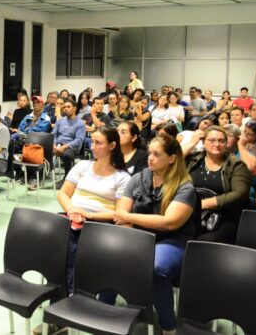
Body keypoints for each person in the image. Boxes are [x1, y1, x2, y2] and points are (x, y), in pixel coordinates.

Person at [114, 135, 197, 335]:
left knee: (156, 267)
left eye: (157, 154)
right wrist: (128, 221)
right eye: (150, 153)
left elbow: (169, 222)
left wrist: (129, 217)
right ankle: (104, 314)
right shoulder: (139, 178)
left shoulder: (185, 187)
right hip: (140, 236)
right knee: (111, 256)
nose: (150, 158)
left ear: (172, 158)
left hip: (172, 240)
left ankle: (168, 327)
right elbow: (120, 212)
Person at [57, 127, 131, 295]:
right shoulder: (83, 166)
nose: (92, 147)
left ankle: (69, 293)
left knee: (71, 244)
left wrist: (89, 215)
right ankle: (62, 292)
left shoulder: (122, 177)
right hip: (72, 216)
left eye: (98, 143)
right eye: (92, 142)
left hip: (98, 223)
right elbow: (63, 193)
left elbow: (120, 213)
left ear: (112, 146)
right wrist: (71, 210)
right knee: (55, 238)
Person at [186, 126, 251, 243]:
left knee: (204, 241)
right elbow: (169, 161)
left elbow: (240, 194)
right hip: (191, 211)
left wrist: (203, 204)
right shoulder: (193, 159)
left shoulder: (236, 165)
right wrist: (191, 143)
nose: (217, 144)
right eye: (212, 140)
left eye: (221, 141)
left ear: (226, 144)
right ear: (203, 142)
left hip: (224, 215)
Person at [52, 99, 86, 176]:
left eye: (68, 107)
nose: (65, 109)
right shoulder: (60, 120)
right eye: (64, 107)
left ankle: (67, 178)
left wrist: (64, 147)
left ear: (75, 108)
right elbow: (54, 134)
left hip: (72, 146)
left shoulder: (80, 123)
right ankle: (37, 176)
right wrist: (54, 145)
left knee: (67, 155)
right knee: (42, 150)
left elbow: (79, 140)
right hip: (57, 145)